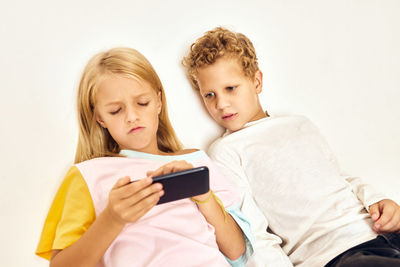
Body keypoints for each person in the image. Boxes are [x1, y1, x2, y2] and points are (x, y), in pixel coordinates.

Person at [182, 27, 400, 267]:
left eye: (230, 88)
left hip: (382, 233)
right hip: (336, 255)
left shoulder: (299, 124)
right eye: (209, 95)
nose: (221, 104)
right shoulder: (226, 150)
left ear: (256, 81)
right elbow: (253, 230)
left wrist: (377, 200)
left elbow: (340, 178)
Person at [35, 47, 255, 267]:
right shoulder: (87, 175)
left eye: (142, 103)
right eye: (115, 110)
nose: (132, 117)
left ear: (158, 101)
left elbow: (238, 252)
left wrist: (203, 196)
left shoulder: (197, 163)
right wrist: (113, 219)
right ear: (99, 117)